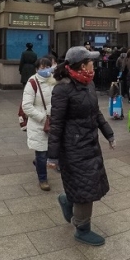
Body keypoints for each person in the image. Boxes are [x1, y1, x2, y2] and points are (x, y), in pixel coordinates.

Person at [48, 46, 115, 247]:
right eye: (91, 61)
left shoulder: (89, 83)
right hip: (73, 148)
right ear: (83, 65)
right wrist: (52, 156)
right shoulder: (63, 89)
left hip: (90, 143)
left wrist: (108, 133)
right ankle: (82, 229)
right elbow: (56, 124)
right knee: (86, 190)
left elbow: (96, 112)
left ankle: (68, 199)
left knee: (87, 185)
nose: (94, 64)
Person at [23, 57, 56, 191]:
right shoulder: (32, 82)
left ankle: (38, 162)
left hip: (54, 120)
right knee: (42, 152)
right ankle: (43, 179)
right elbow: (26, 106)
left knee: (51, 150)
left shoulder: (54, 80)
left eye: (48, 67)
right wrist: (42, 118)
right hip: (39, 123)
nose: (46, 70)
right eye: (42, 68)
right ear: (37, 69)